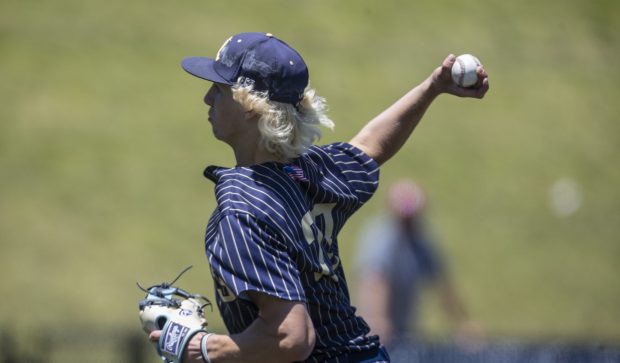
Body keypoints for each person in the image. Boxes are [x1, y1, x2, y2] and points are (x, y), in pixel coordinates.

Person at [148, 32, 488, 362]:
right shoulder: (308, 173)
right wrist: (432, 88)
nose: (208, 98)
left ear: (249, 105)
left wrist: (205, 348)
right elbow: (371, 146)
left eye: (219, 89)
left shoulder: (242, 211)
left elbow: (292, 338)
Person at [354, 179, 483, 360]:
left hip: (403, 331)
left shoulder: (420, 241)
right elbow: (375, 280)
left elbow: (442, 284)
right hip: (373, 332)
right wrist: (378, 320)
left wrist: (463, 324)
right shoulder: (381, 237)